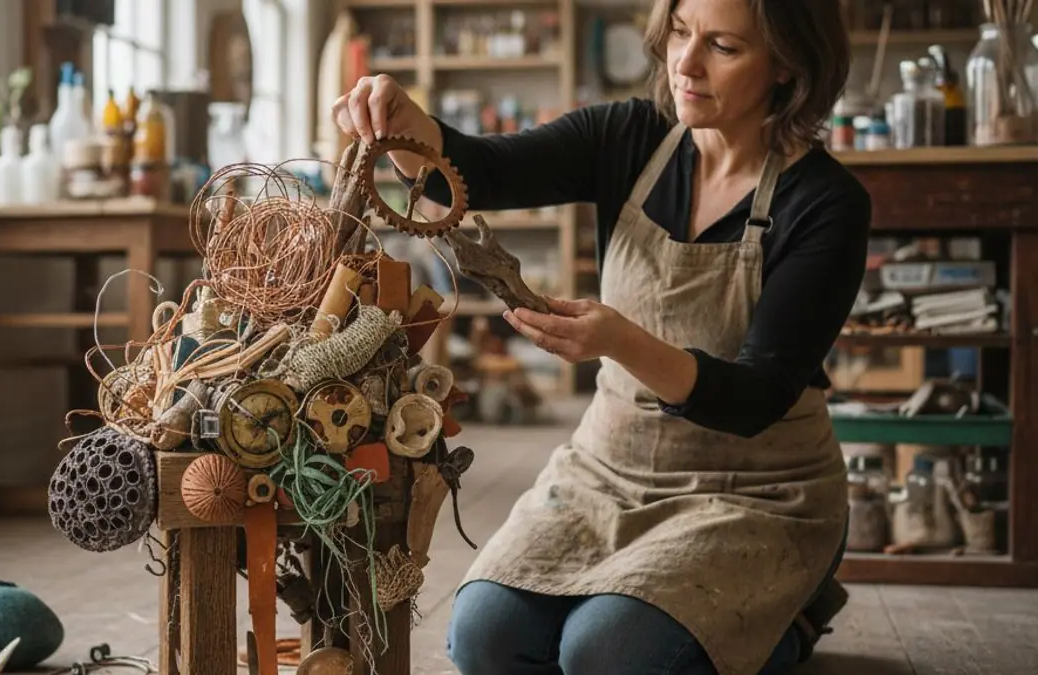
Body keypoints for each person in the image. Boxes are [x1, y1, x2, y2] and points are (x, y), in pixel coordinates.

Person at [333, 0, 869, 673]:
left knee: (606, 652)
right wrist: (410, 126)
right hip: (612, 467)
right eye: (680, 32)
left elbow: (755, 397)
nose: (685, 64)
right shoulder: (630, 136)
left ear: (787, 64)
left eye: (724, 47)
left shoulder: (826, 203)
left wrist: (621, 341)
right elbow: (484, 171)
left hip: (754, 489)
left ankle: (787, 619)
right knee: (484, 636)